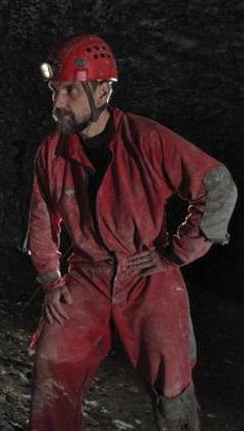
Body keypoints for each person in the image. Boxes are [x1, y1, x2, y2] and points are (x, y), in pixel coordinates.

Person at [24, 34, 238, 431]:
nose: (58, 103)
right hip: (86, 276)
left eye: (71, 91)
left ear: (103, 91)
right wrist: (51, 280)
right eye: (56, 91)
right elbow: (41, 220)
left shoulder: (147, 139)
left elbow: (218, 185)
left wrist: (175, 254)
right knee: (53, 360)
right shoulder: (52, 152)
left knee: (172, 382)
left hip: (146, 274)